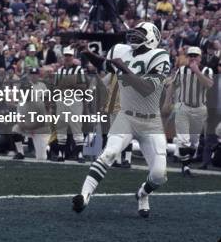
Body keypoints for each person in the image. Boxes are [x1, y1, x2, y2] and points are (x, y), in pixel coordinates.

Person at [73, 22, 171, 217]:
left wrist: (124, 68)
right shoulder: (121, 50)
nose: (134, 35)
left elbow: (147, 89)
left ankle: (142, 194)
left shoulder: (160, 56)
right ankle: (83, 196)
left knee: (159, 175)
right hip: (126, 116)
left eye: (140, 33)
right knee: (108, 154)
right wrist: (87, 53)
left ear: (153, 37)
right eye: (134, 32)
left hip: (150, 121)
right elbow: (106, 64)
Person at [165, 46, 213, 176]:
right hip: (183, 107)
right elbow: (172, 85)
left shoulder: (207, 70)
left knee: (194, 141)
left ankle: (186, 162)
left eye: (195, 56)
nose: (192, 58)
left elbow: (209, 85)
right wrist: (167, 102)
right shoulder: (181, 70)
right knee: (183, 139)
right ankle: (185, 167)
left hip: (199, 108)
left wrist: (197, 71)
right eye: (190, 55)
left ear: (200, 57)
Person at [54, 46, 87, 162]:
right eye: (66, 55)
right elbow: (56, 86)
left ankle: (80, 155)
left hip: (74, 99)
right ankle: (60, 154)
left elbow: (83, 86)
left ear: (73, 57)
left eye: (69, 56)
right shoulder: (59, 71)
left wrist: (70, 84)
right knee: (61, 127)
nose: (67, 58)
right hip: (62, 99)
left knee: (76, 127)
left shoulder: (79, 70)